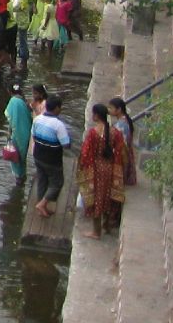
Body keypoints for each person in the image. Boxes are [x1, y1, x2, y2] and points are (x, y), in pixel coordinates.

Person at [78, 103, 126, 238]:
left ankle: (96, 231)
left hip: (97, 169)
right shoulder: (114, 132)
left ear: (97, 115)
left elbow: (86, 154)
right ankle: (107, 226)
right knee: (107, 197)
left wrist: (83, 168)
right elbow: (121, 151)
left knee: (96, 198)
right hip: (110, 168)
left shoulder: (93, 133)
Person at [31, 95, 71, 218]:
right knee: (57, 183)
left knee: (42, 180)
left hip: (38, 156)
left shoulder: (37, 119)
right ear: (57, 108)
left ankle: (41, 206)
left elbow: (33, 135)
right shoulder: (58, 125)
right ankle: (42, 204)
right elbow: (66, 144)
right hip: (52, 160)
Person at [4, 83, 33, 181]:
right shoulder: (24, 102)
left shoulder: (13, 101)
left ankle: (19, 178)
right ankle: (23, 176)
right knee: (22, 156)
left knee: (15, 157)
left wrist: (9, 134)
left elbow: (11, 119)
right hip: (26, 133)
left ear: (10, 92)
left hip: (17, 134)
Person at [108, 97, 138, 187]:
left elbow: (119, 143)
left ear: (119, 109)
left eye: (111, 108)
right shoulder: (125, 121)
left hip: (121, 153)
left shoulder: (121, 125)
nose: (109, 110)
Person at [10, 0, 33, 71]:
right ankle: (22, 61)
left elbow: (14, 8)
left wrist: (7, 5)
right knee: (22, 41)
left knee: (22, 42)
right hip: (23, 22)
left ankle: (23, 63)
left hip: (21, 23)